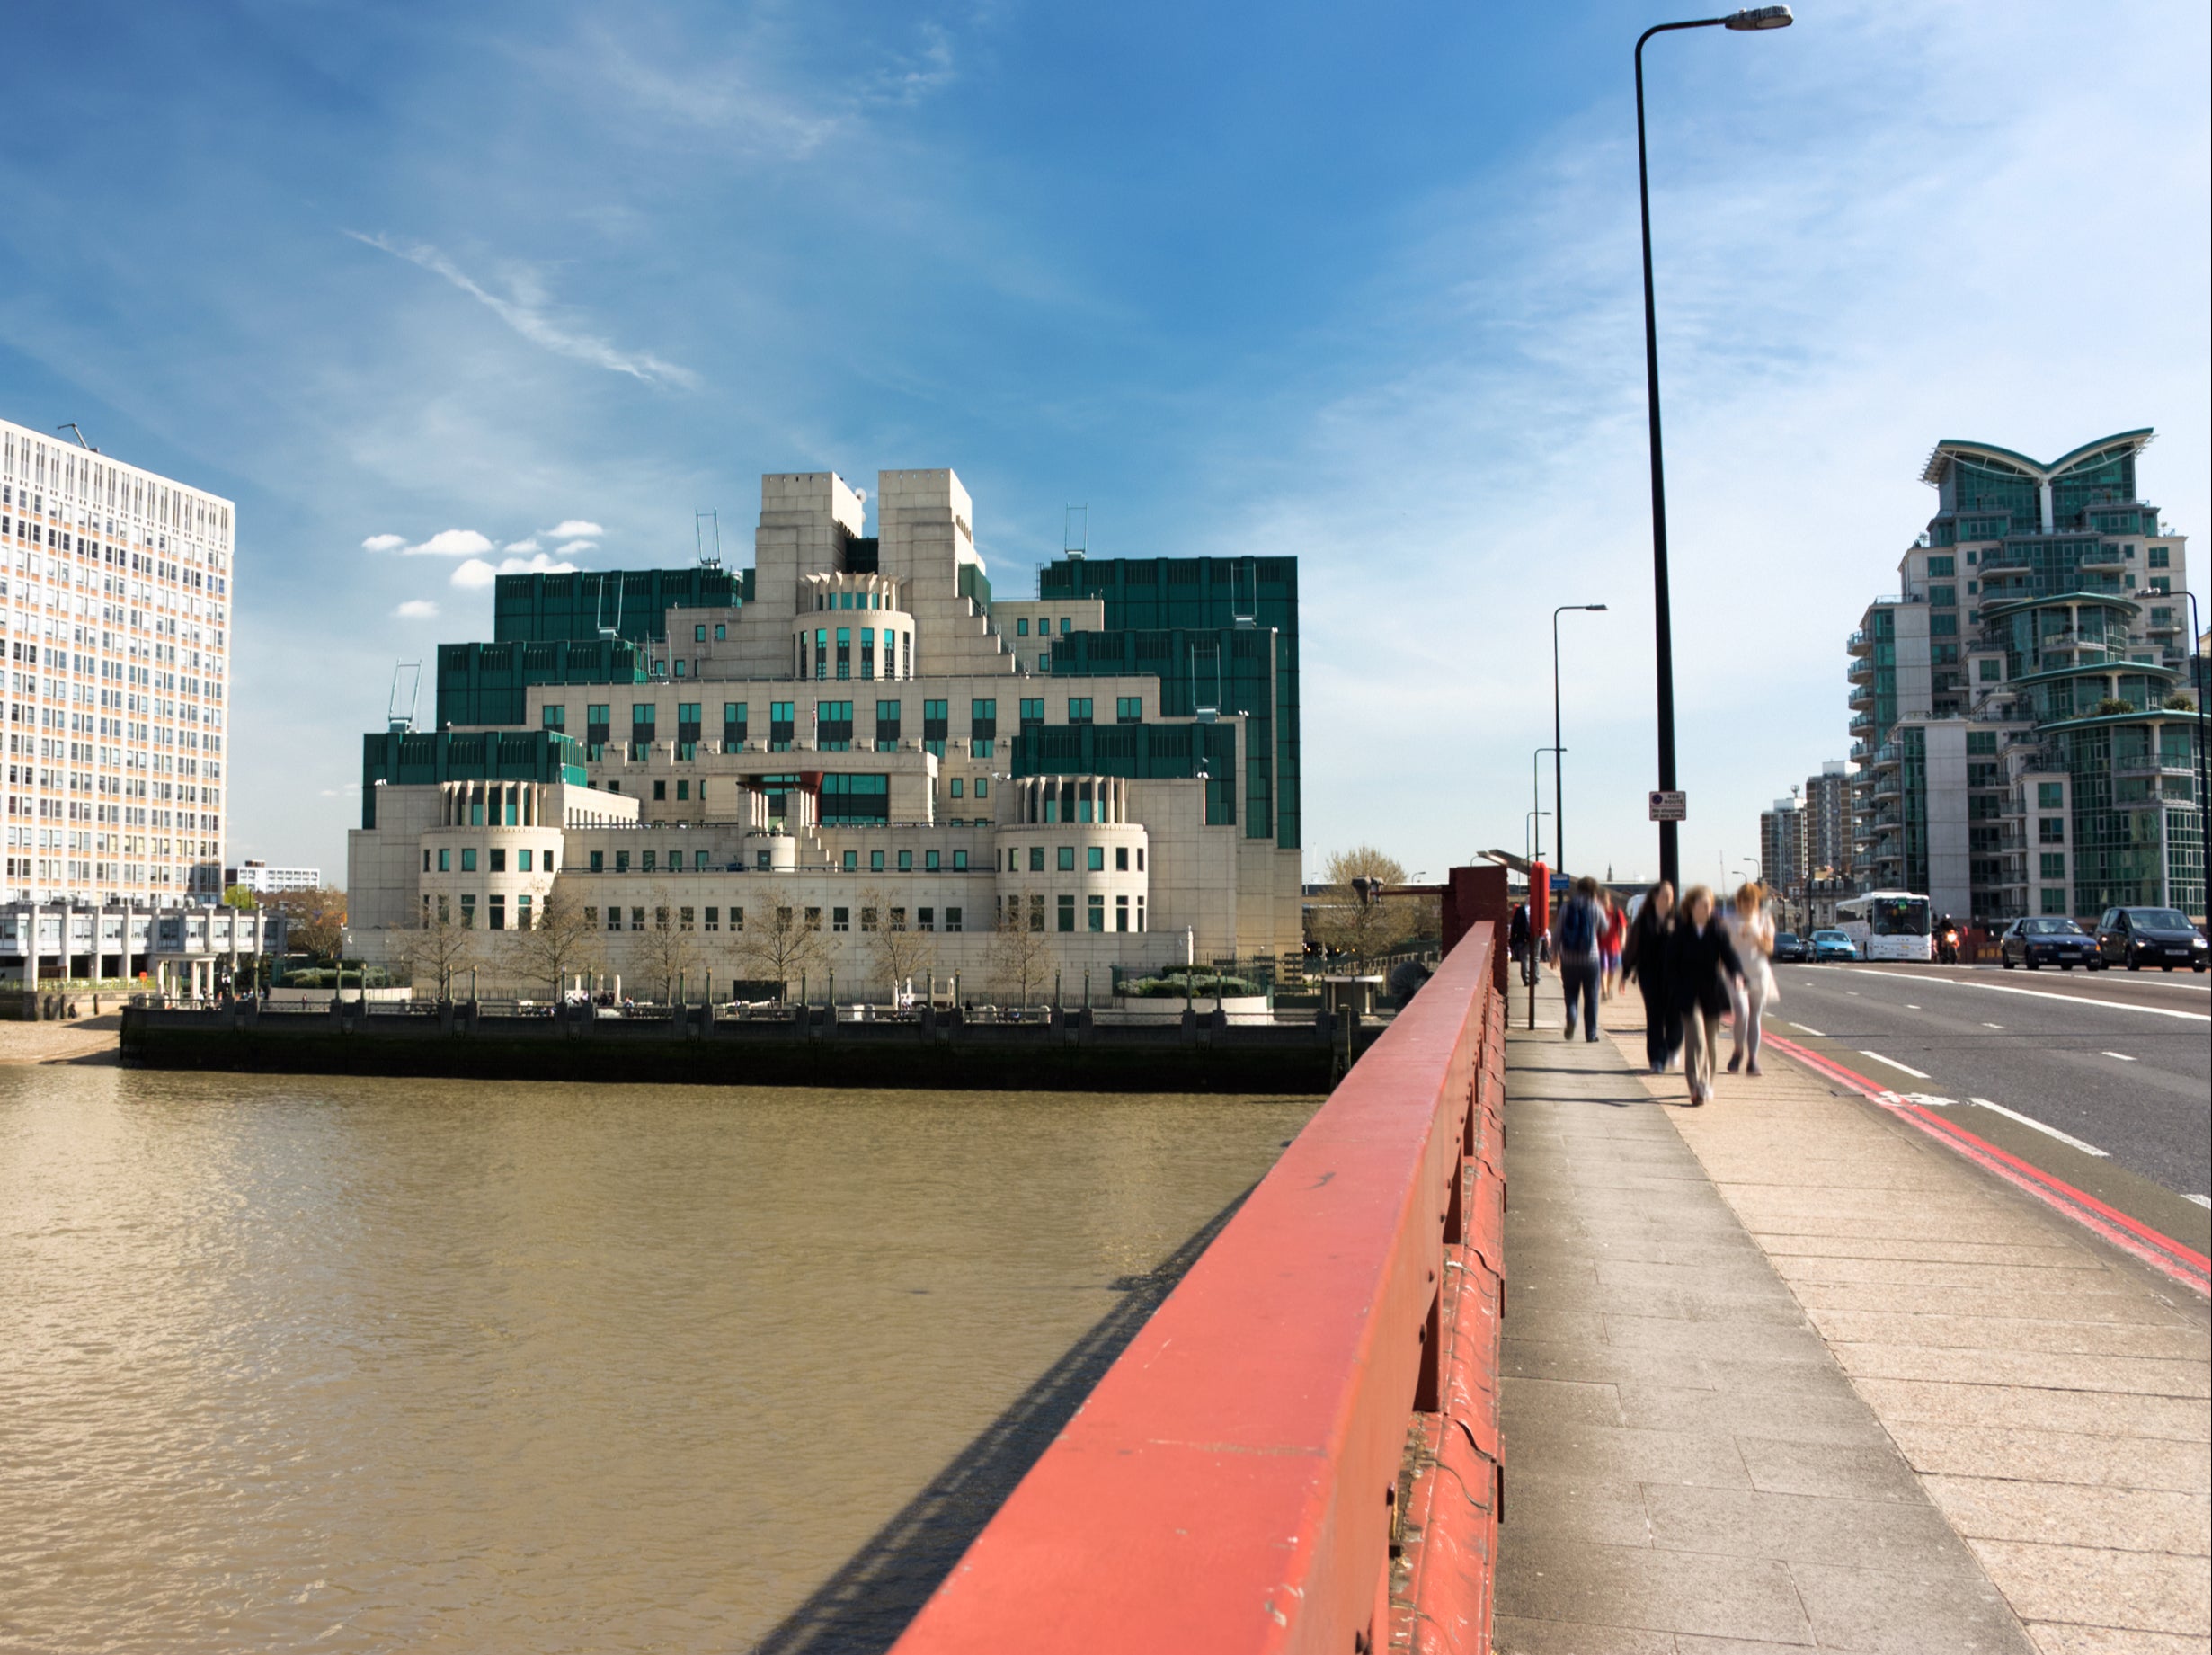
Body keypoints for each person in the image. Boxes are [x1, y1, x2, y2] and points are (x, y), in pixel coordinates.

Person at [1666, 885, 1745, 1107]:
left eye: (1710, 904)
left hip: (1712, 992)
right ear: (1692, 907)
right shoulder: (1681, 932)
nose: (1709, 908)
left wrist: (1736, 974)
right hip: (1688, 994)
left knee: (1710, 1042)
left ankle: (1708, 1082)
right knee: (1695, 1039)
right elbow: (1670, 963)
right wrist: (1673, 988)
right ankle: (1696, 1087)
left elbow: (1729, 955)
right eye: (1704, 904)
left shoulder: (1717, 931)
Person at [1621, 882, 1677, 1072]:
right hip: (1649, 975)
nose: (1668, 899)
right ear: (1655, 898)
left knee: (1673, 1016)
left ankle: (1671, 1047)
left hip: (1673, 976)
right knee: (1654, 1017)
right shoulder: (1644, 921)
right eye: (1664, 896)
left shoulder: (1677, 920)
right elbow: (1632, 947)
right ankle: (1656, 1060)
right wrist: (1626, 971)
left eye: (1670, 896)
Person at [1723, 882, 1777, 1076]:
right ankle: (1738, 1049)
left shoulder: (1763, 918)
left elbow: (1770, 948)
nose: (1746, 904)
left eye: (1750, 900)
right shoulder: (1728, 919)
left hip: (1759, 972)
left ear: (1756, 901)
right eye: (1743, 900)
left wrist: (1757, 939)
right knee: (1741, 1011)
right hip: (1737, 973)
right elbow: (1721, 947)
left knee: (1755, 1015)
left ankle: (1752, 1059)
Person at [1551, 875, 1604, 1042]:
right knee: (1591, 997)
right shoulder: (1595, 907)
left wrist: (1554, 953)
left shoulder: (1566, 908)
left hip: (1568, 960)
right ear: (1593, 891)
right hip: (1591, 960)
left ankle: (1572, 1016)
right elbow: (1605, 928)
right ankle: (1591, 1034)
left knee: (1571, 993)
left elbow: (1557, 933)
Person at [1600, 890, 1627, 1000]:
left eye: (1605, 900)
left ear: (1609, 899)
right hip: (1601, 946)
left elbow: (1623, 927)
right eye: (1602, 900)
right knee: (1603, 968)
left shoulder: (1616, 911)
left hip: (1614, 946)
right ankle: (1604, 992)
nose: (1604, 902)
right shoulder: (1599, 911)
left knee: (1611, 970)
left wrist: (1623, 940)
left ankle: (1608, 987)